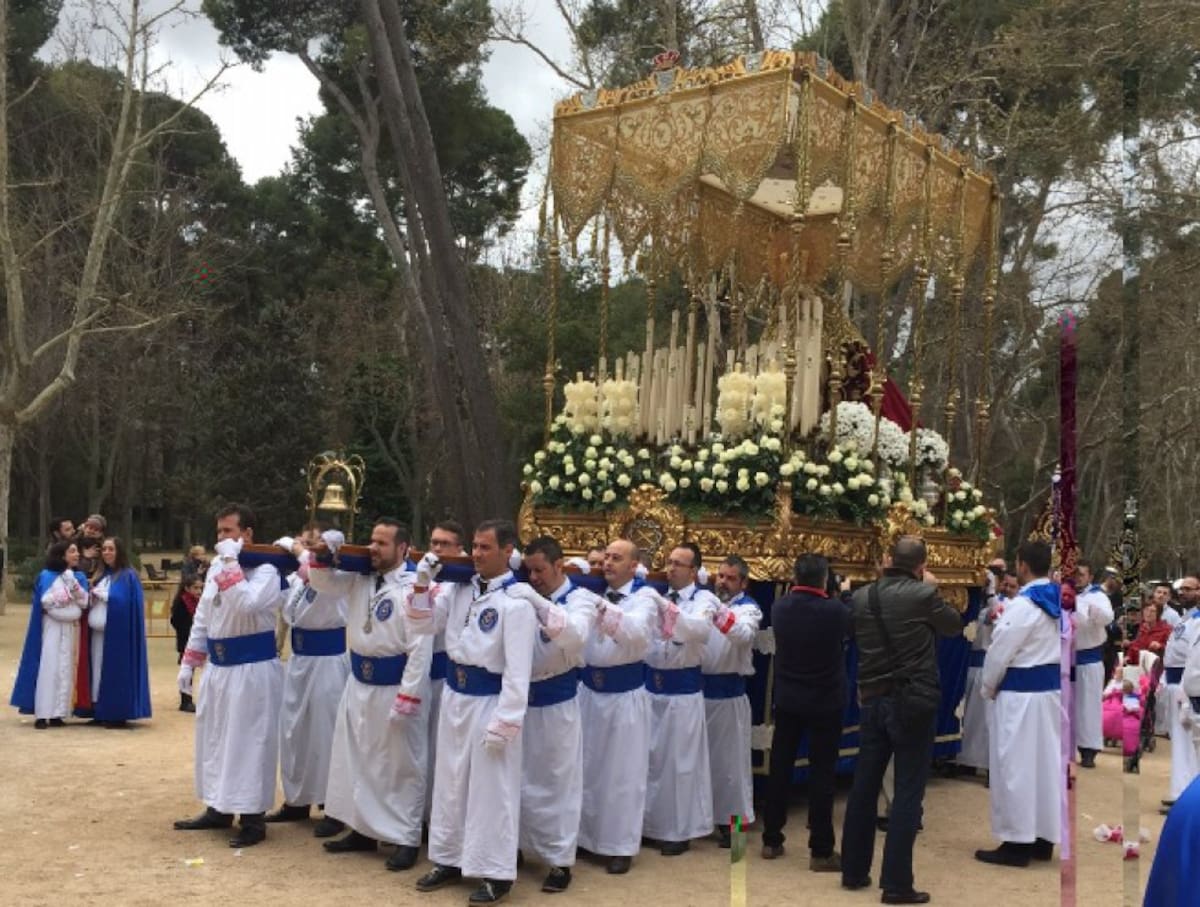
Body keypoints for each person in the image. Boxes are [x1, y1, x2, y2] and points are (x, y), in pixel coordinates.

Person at [411, 519, 538, 905]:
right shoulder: (457, 588)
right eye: (475, 546)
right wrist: (421, 584)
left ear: (507, 551)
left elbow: (518, 670)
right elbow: (422, 623)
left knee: (492, 790)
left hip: (489, 701)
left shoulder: (517, 601)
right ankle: (448, 858)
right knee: (451, 782)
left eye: (485, 547)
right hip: (455, 695)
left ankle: (496, 872)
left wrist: (507, 720)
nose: (477, 554)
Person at [840, 536, 961, 904]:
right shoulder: (924, 595)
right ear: (921, 566)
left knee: (864, 784)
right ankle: (896, 883)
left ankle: (853, 870)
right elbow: (953, 625)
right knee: (908, 790)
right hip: (914, 699)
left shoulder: (863, 596)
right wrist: (933, 589)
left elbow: (851, 632)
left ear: (889, 560)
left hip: (872, 697)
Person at [308, 519, 429, 869]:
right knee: (358, 759)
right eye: (372, 541)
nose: (373, 548)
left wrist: (408, 697)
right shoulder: (360, 578)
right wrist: (323, 555)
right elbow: (322, 583)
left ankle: (405, 836)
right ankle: (362, 829)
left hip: (394, 687)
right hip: (359, 683)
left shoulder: (415, 586)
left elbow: (420, 647)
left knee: (399, 764)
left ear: (403, 548)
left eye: (382, 543)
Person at [173, 504, 284, 848]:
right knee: (216, 738)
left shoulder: (266, 570)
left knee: (249, 741)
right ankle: (217, 807)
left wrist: (231, 562)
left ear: (247, 534)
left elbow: (246, 603)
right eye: (219, 531)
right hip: (220, 668)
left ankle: (252, 817)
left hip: (252, 668)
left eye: (228, 531)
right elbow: (204, 616)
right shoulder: (218, 568)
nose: (221, 537)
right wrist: (189, 661)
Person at [974, 540, 1062, 867]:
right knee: (1045, 765)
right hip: (1050, 692)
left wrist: (988, 686)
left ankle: (1016, 841)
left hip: (1021, 696)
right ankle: (1043, 836)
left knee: (1015, 765)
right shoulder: (1061, 602)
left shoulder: (1023, 605)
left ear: (1022, 565)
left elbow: (1000, 651)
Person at [520, 535, 600, 893]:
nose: (534, 577)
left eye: (540, 570)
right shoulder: (523, 593)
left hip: (557, 703)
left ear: (558, 565)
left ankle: (559, 860)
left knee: (557, 782)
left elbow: (575, 635)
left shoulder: (579, 599)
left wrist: (535, 601)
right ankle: (518, 846)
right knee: (519, 777)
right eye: (529, 571)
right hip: (521, 701)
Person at [761, 553, 849, 870]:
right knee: (822, 773)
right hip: (826, 700)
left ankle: (771, 838)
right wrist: (843, 594)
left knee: (780, 767)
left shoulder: (780, 607)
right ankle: (821, 850)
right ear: (824, 579)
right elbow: (850, 627)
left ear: (795, 577)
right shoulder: (836, 610)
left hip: (789, 698)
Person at [575, 538, 657, 875]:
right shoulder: (590, 591)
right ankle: (585, 836)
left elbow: (634, 634)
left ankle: (619, 845)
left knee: (623, 772)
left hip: (624, 696)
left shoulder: (645, 597)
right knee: (587, 766)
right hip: (588, 692)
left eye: (617, 558)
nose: (607, 563)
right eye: (606, 556)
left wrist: (597, 606)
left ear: (634, 565)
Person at [265, 526, 351, 838]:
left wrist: (299, 548)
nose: (308, 546)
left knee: (325, 732)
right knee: (294, 731)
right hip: (299, 659)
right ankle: (297, 799)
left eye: (315, 541)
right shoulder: (297, 580)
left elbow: (319, 563)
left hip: (327, 661)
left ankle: (333, 805)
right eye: (305, 540)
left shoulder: (337, 577)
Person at [643, 543, 720, 856]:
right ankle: (651, 826)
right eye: (669, 562)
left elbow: (696, 630)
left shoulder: (704, 600)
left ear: (693, 571)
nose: (670, 568)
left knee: (680, 764)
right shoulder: (655, 595)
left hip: (683, 693)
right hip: (652, 689)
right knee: (652, 760)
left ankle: (679, 830)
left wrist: (663, 606)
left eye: (678, 563)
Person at [704, 554, 762, 847]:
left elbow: (743, 635)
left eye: (730, 578)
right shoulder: (704, 602)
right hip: (697, 696)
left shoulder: (748, 609)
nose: (722, 582)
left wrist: (716, 612)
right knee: (697, 764)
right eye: (720, 576)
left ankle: (734, 829)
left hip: (729, 699)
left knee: (731, 770)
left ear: (743, 582)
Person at [11, 540, 89, 728]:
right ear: (62, 555)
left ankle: (58, 713)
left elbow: (84, 602)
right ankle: (43, 713)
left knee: (65, 668)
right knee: (49, 667)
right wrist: (67, 598)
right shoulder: (47, 576)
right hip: (51, 627)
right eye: (72, 551)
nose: (77, 554)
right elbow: (46, 602)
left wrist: (73, 590)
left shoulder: (77, 577)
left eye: (77, 551)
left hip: (70, 628)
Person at [423, 519, 466, 827]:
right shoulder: (425, 573)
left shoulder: (460, 580)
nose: (437, 549)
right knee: (420, 751)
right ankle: (421, 815)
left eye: (444, 544)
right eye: (434, 542)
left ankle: (438, 820)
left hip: (445, 675)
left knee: (443, 752)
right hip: (417, 674)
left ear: (459, 549)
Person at [87, 537, 152, 727]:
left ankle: (116, 712)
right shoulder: (102, 576)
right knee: (98, 671)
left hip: (117, 635)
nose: (107, 552)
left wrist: (105, 596)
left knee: (114, 671)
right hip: (98, 635)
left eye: (111, 549)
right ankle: (99, 709)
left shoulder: (127, 576)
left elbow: (125, 603)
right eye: (104, 549)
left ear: (119, 552)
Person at [958, 568, 1007, 774]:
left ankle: (986, 764)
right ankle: (963, 760)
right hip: (965, 666)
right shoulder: (967, 603)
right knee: (965, 719)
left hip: (983, 666)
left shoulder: (1000, 604)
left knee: (983, 721)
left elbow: (998, 617)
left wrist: (990, 594)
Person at [1161, 575, 1200, 812]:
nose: (1183, 592)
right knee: (1179, 743)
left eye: (1189, 589)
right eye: (1182, 589)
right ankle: (1181, 790)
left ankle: (1185, 793)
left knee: (1188, 744)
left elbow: (1192, 660)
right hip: (1174, 682)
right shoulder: (1184, 619)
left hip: (1188, 688)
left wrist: (1185, 690)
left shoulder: (1197, 621)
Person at [1073, 561, 1114, 769]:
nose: (1077, 578)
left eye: (1081, 574)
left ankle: (1088, 749)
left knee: (1088, 707)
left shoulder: (1097, 596)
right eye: (1075, 574)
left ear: (1089, 577)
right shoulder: (1062, 593)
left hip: (1088, 658)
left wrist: (1085, 607)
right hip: (1064, 659)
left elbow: (1107, 618)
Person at [171, 575, 204, 711]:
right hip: (186, 640)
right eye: (195, 588)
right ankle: (185, 700)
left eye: (201, 588)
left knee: (193, 669)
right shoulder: (182, 602)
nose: (199, 591)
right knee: (187, 671)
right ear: (187, 588)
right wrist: (187, 630)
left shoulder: (199, 601)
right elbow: (175, 620)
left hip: (196, 639)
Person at [1126, 598, 1172, 665]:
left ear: (1158, 614)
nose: (1148, 613)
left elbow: (1173, 649)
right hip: (1139, 666)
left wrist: (1160, 646)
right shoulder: (1142, 627)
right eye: (1146, 610)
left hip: (1157, 667)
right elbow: (1134, 647)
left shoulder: (1167, 629)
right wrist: (1128, 658)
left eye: (1152, 611)